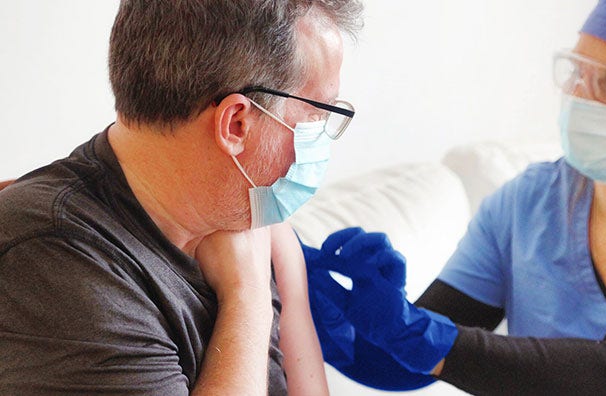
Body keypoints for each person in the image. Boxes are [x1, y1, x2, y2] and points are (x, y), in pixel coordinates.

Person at [305, 0, 606, 394]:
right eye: (577, 73)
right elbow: (410, 364)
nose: (581, 98)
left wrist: (415, 333)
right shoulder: (528, 203)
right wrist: (316, 307)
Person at [0, 0, 361, 394]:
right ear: (236, 123)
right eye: (315, 116)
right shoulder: (54, 264)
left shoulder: (262, 221)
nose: (323, 137)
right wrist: (248, 296)